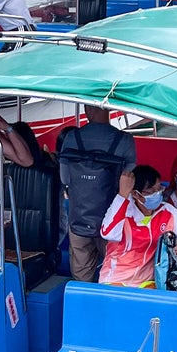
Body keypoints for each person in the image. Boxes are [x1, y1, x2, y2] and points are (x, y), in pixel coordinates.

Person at [57, 106, 137, 282]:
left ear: (87, 109)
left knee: (81, 276)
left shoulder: (72, 137)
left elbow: (64, 178)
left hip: (79, 217)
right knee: (116, 274)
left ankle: (83, 307)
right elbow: (129, 180)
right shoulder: (124, 140)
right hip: (113, 222)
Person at [98, 164, 177, 288]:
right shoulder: (123, 210)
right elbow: (108, 233)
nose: (157, 194)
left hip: (148, 283)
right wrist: (123, 194)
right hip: (116, 281)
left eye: (159, 189)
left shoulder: (167, 212)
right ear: (136, 194)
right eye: (151, 191)